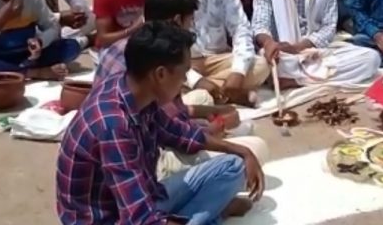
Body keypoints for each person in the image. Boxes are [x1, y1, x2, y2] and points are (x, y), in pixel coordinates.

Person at [57, 21, 265, 224]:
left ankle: (203, 215)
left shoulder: (136, 91)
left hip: (142, 199)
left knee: (233, 165)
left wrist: (242, 151)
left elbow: (179, 133)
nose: (184, 81)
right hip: (107, 218)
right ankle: (211, 216)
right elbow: (139, 217)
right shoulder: (113, 125)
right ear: (161, 74)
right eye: (183, 74)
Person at [94, 0, 269, 176]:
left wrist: (212, 113)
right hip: (145, 158)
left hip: (137, 134)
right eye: (190, 21)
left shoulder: (132, 45)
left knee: (203, 97)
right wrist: (214, 129)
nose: (191, 27)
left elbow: (166, 116)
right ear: (177, 21)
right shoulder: (156, 61)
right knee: (255, 148)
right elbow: (167, 129)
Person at [165, 0, 270, 106]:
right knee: (164, 75)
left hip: (217, 59)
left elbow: (240, 29)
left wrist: (238, 72)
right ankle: (222, 93)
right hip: (180, 66)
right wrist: (196, 80)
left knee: (262, 65)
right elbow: (160, 51)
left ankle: (213, 94)